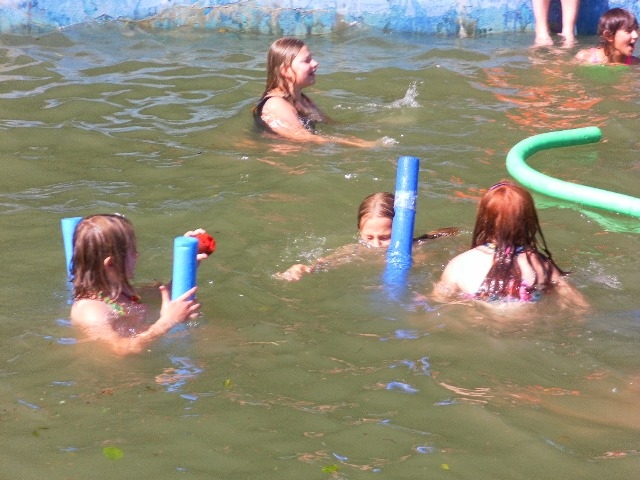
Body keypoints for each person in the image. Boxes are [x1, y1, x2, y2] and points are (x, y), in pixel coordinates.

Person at [70, 214, 211, 355]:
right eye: (132, 251)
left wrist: (188, 260)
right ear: (111, 264)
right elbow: (120, 349)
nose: (137, 255)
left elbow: (166, 292)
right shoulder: (91, 310)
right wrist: (167, 322)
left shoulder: (123, 291)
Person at [433, 182, 587, 308]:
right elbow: (579, 306)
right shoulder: (543, 266)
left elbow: (437, 300)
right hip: (526, 325)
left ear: (484, 219)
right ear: (529, 221)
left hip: (477, 320)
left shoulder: (460, 264)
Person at [277, 192, 458, 281]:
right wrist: (304, 268)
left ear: (402, 230)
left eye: (385, 237)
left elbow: (451, 237)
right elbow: (326, 263)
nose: (376, 244)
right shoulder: (357, 250)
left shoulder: (419, 249)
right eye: (369, 237)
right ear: (359, 231)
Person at [253, 37, 374, 147]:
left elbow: (330, 124)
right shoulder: (276, 104)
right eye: (307, 60)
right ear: (285, 71)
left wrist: (372, 125)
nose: (315, 63)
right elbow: (304, 138)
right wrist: (357, 144)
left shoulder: (302, 100)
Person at [574, 8, 640, 65]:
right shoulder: (585, 57)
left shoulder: (634, 62)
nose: (636, 35)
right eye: (628, 31)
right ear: (609, 35)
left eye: (636, 29)